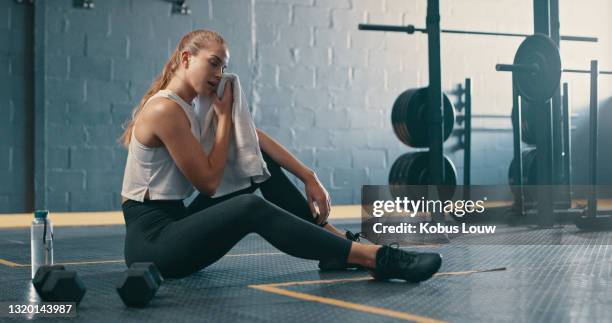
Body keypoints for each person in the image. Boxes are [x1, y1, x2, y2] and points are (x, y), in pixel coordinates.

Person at [118, 29, 442, 281]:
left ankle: (337, 245)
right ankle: (373, 258)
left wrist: (308, 176)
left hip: (178, 222)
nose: (219, 74)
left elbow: (252, 141)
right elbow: (208, 184)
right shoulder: (165, 109)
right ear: (186, 59)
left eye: (224, 66)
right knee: (249, 206)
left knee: (255, 165)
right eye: (213, 63)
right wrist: (224, 119)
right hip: (154, 246)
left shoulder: (193, 106)